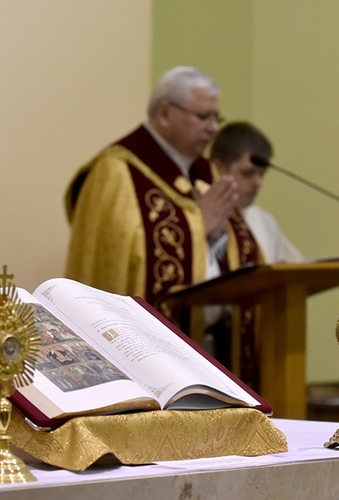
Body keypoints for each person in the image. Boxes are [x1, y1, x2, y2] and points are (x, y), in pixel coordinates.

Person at [64, 66, 262, 344]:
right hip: (142, 346)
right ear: (165, 113)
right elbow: (119, 254)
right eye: (203, 116)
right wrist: (197, 226)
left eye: (217, 118)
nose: (214, 128)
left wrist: (216, 237)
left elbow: (239, 251)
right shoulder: (116, 171)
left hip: (213, 346)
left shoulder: (206, 172)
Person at [210, 121, 304, 264]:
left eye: (262, 174)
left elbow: (297, 268)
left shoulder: (265, 221)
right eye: (248, 173)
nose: (258, 183)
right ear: (218, 168)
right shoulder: (202, 215)